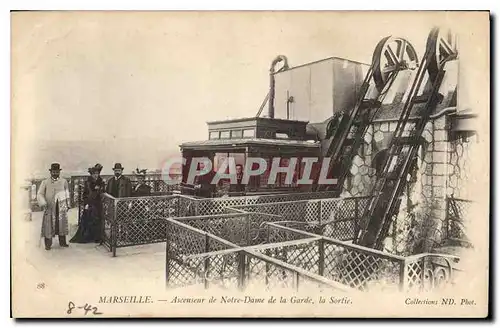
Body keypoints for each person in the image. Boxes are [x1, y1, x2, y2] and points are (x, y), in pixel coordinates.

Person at [37, 163, 70, 250]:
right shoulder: (45, 182)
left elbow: (67, 193)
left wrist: (68, 204)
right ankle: (48, 244)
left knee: (61, 224)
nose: (55, 173)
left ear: (59, 172)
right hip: (50, 206)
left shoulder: (64, 181)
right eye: (53, 172)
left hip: (61, 206)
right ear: (51, 172)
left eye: (57, 172)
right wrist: (43, 203)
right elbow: (40, 193)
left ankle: (62, 242)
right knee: (48, 225)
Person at [70, 164, 105, 243]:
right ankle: (88, 237)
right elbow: (85, 194)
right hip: (90, 203)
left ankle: (97, 237)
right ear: (91, 174)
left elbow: (103, 191)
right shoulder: (88, 182)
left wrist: (99, 189)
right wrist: (86, 203)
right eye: (94, 174)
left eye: (97, 174)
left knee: (97, 220)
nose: (96, 175)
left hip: (98, 204)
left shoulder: (101, 182)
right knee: (88, 220)